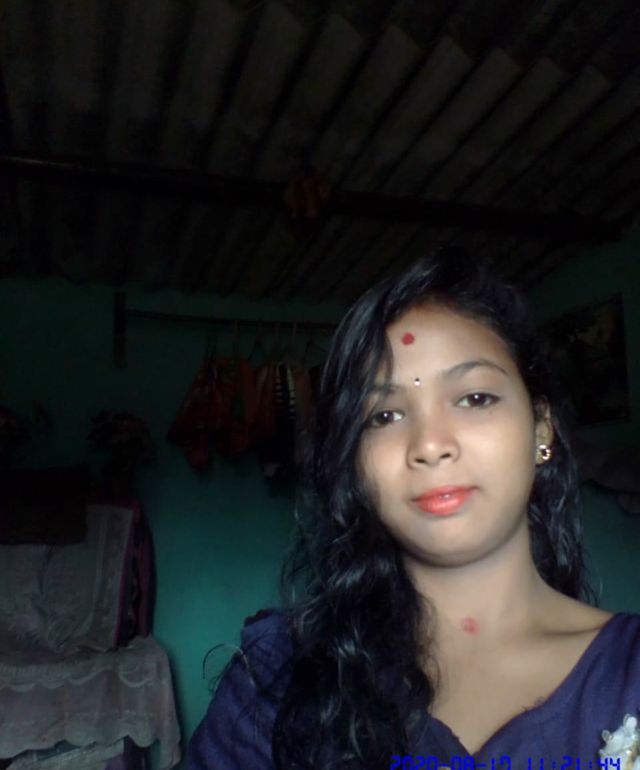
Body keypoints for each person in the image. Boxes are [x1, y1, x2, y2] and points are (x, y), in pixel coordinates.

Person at [188, 251, 640, 770]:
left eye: (474, 398)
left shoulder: (629, 673)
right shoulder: (276, 679)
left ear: (542, 427)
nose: (429, 444)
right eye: (384, 415)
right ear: (353, 462)